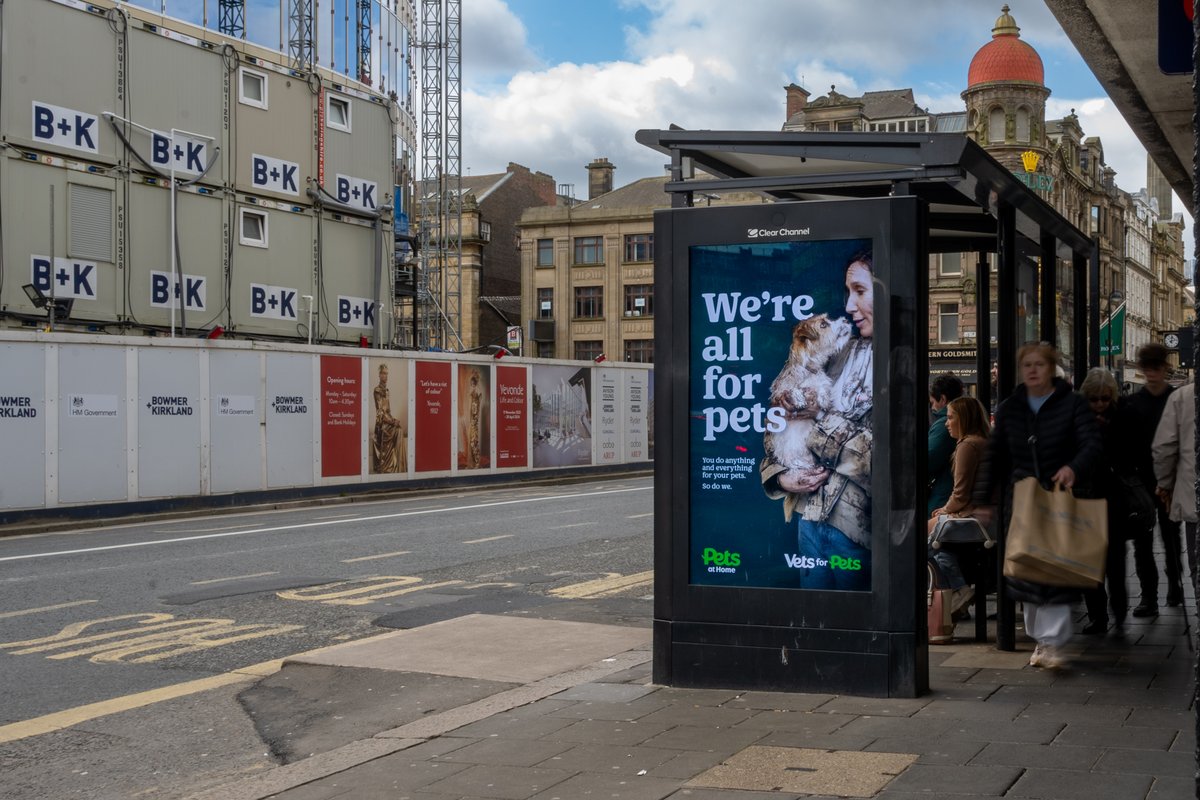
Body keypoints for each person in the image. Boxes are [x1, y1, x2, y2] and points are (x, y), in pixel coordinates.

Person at [761, 250, 874, 591]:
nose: (850, 306)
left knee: (855, 622)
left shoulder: (900, 361)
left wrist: (821, 416)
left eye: (860, 290)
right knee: (814, 620)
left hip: (858, 525)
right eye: (848, 292)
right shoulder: (834, 350)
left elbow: (879, 460)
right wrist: (781, 477)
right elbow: (775, 429)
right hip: (808, 521)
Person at [988, 343, 1101, 669]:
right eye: (1028, 365)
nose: (1033, 370)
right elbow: (995, 456)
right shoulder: (1011, 408)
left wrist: (1073, 468)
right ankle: (1041, 640)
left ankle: (1052, 643)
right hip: (1021, 499)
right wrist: (985, 499)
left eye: (1040, 364)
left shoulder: (1073, 405)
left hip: (1057, 497)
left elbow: (1091, 443)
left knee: (1055, 570)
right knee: (1028, 572)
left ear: (1051, 369)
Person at [1118, 343, 1183, 616]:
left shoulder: (1177, 400)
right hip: (1141, 482)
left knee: (1171, 539)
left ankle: (1175, 587)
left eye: (1157, 367)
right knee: (1142, 541)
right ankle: (1149, 596)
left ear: (1165, 368)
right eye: (1147, 367)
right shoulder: (1131, 403)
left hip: (1170, 480)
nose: (1152, 372)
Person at [1079, 367, 1132, 634]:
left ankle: (1119, 610)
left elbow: (1131, 455)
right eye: (1094, 399)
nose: (1099, 404)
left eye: (1104, 398)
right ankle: (1098, 616)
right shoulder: (1078, 422)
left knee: (1115, 560)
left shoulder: (1122, 419)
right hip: (1087, 499)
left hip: (1114, 500)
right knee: (1090, 562)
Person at [927, 396, 991, 614]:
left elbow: (961, 494)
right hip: (985, 516)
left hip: (974, 519)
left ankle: (957, 588)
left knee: (926, 539)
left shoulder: (967, 445)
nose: (946, 423)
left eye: (951, 417)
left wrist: (945, 510)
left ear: (964, 419)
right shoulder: (982, 441)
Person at [1152, 379, 1197, 590]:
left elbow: (1164, 447)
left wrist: (1165, 484)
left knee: (1198, 568)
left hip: (1194, 495)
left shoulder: (1182, 397)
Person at [928, 374, 966, 518]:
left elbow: (928, 460)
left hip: (943, 500)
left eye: (932, 402)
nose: (932, 407)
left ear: (942, 399)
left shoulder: (944, 427)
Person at [370, 363, 406, 473]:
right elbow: (380, 413)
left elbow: (388, 411)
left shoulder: (387, 391)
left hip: (387, 421)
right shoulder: (377, 390)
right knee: (398, 431)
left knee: (399, 429)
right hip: (381, 424)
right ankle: (391, 467)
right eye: (384, 373)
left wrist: (394, 420)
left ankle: (400, 466)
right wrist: (392, 421)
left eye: (387, 374)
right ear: (380, 375)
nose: (386, 376)